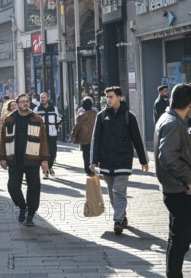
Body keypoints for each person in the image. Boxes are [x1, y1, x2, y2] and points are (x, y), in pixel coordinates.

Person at [90, 86, 149, 235]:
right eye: (107, 97)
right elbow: (95, 139)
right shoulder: (102, 116)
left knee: (119, 192)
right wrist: (93, 161)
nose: (108, 100)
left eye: (111, 97)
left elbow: (137, 140)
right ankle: (122, 216)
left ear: (119, 97)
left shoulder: (129, 116)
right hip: (106, 161)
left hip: (123, 160)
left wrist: (143, 160)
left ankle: (117, 221)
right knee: (111, 194)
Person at [154, 83, 191, 278]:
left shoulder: (169, 118)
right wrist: (189, 179)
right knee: (181, 241)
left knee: (176, 239)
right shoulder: (173, 123)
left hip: (174, 188)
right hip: (178, 190)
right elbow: (167, 156)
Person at [0, 94, 49, 226]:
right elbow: (3, 139)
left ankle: (31, 214)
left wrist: (44, 160)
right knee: (13, 187)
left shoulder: (37, 119)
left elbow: (43, 140)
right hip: (14, 160)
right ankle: (22, 206)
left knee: (34, 188)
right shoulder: (9, 119)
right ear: (17, 103)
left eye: (27, 101)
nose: (25, 104)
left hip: (33, 160)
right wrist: (3, 158)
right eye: (22, 102)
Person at [34, 92, 62, 179]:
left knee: (53, 153)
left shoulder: (54, 109)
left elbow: (59, 119)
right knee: (43, 154)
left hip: (52, 134)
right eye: (41, 98)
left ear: (48, 98)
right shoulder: (36, 109)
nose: (43, 99)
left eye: (44, 97)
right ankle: (45, 171)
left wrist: (57, 126)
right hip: (41, 135)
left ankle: (49, 167)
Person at [70, 97, 97, 176]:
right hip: (95, 138)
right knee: (94, 154)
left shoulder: (81, 116)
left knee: (86, 154)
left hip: (85, 138)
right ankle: (94, 168)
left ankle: (88, 170)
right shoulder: (96, 115)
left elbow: (76, 128)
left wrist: (73, 136)